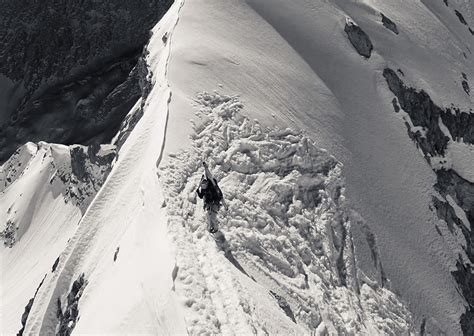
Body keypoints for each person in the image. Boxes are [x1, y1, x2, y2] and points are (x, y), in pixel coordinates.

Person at [196, 162, 225, 233]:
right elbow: (201, 196)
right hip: (208, 203)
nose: (204, 186)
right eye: (203, 185)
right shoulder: (203, 189)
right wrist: (198, 191)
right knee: (209, 216)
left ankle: (216, 228)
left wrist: (206, 168)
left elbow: (209, 176)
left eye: (205, 185)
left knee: (213, 216)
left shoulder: (211, 186)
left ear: (207, 183)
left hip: (215, 202)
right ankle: (211, 226)